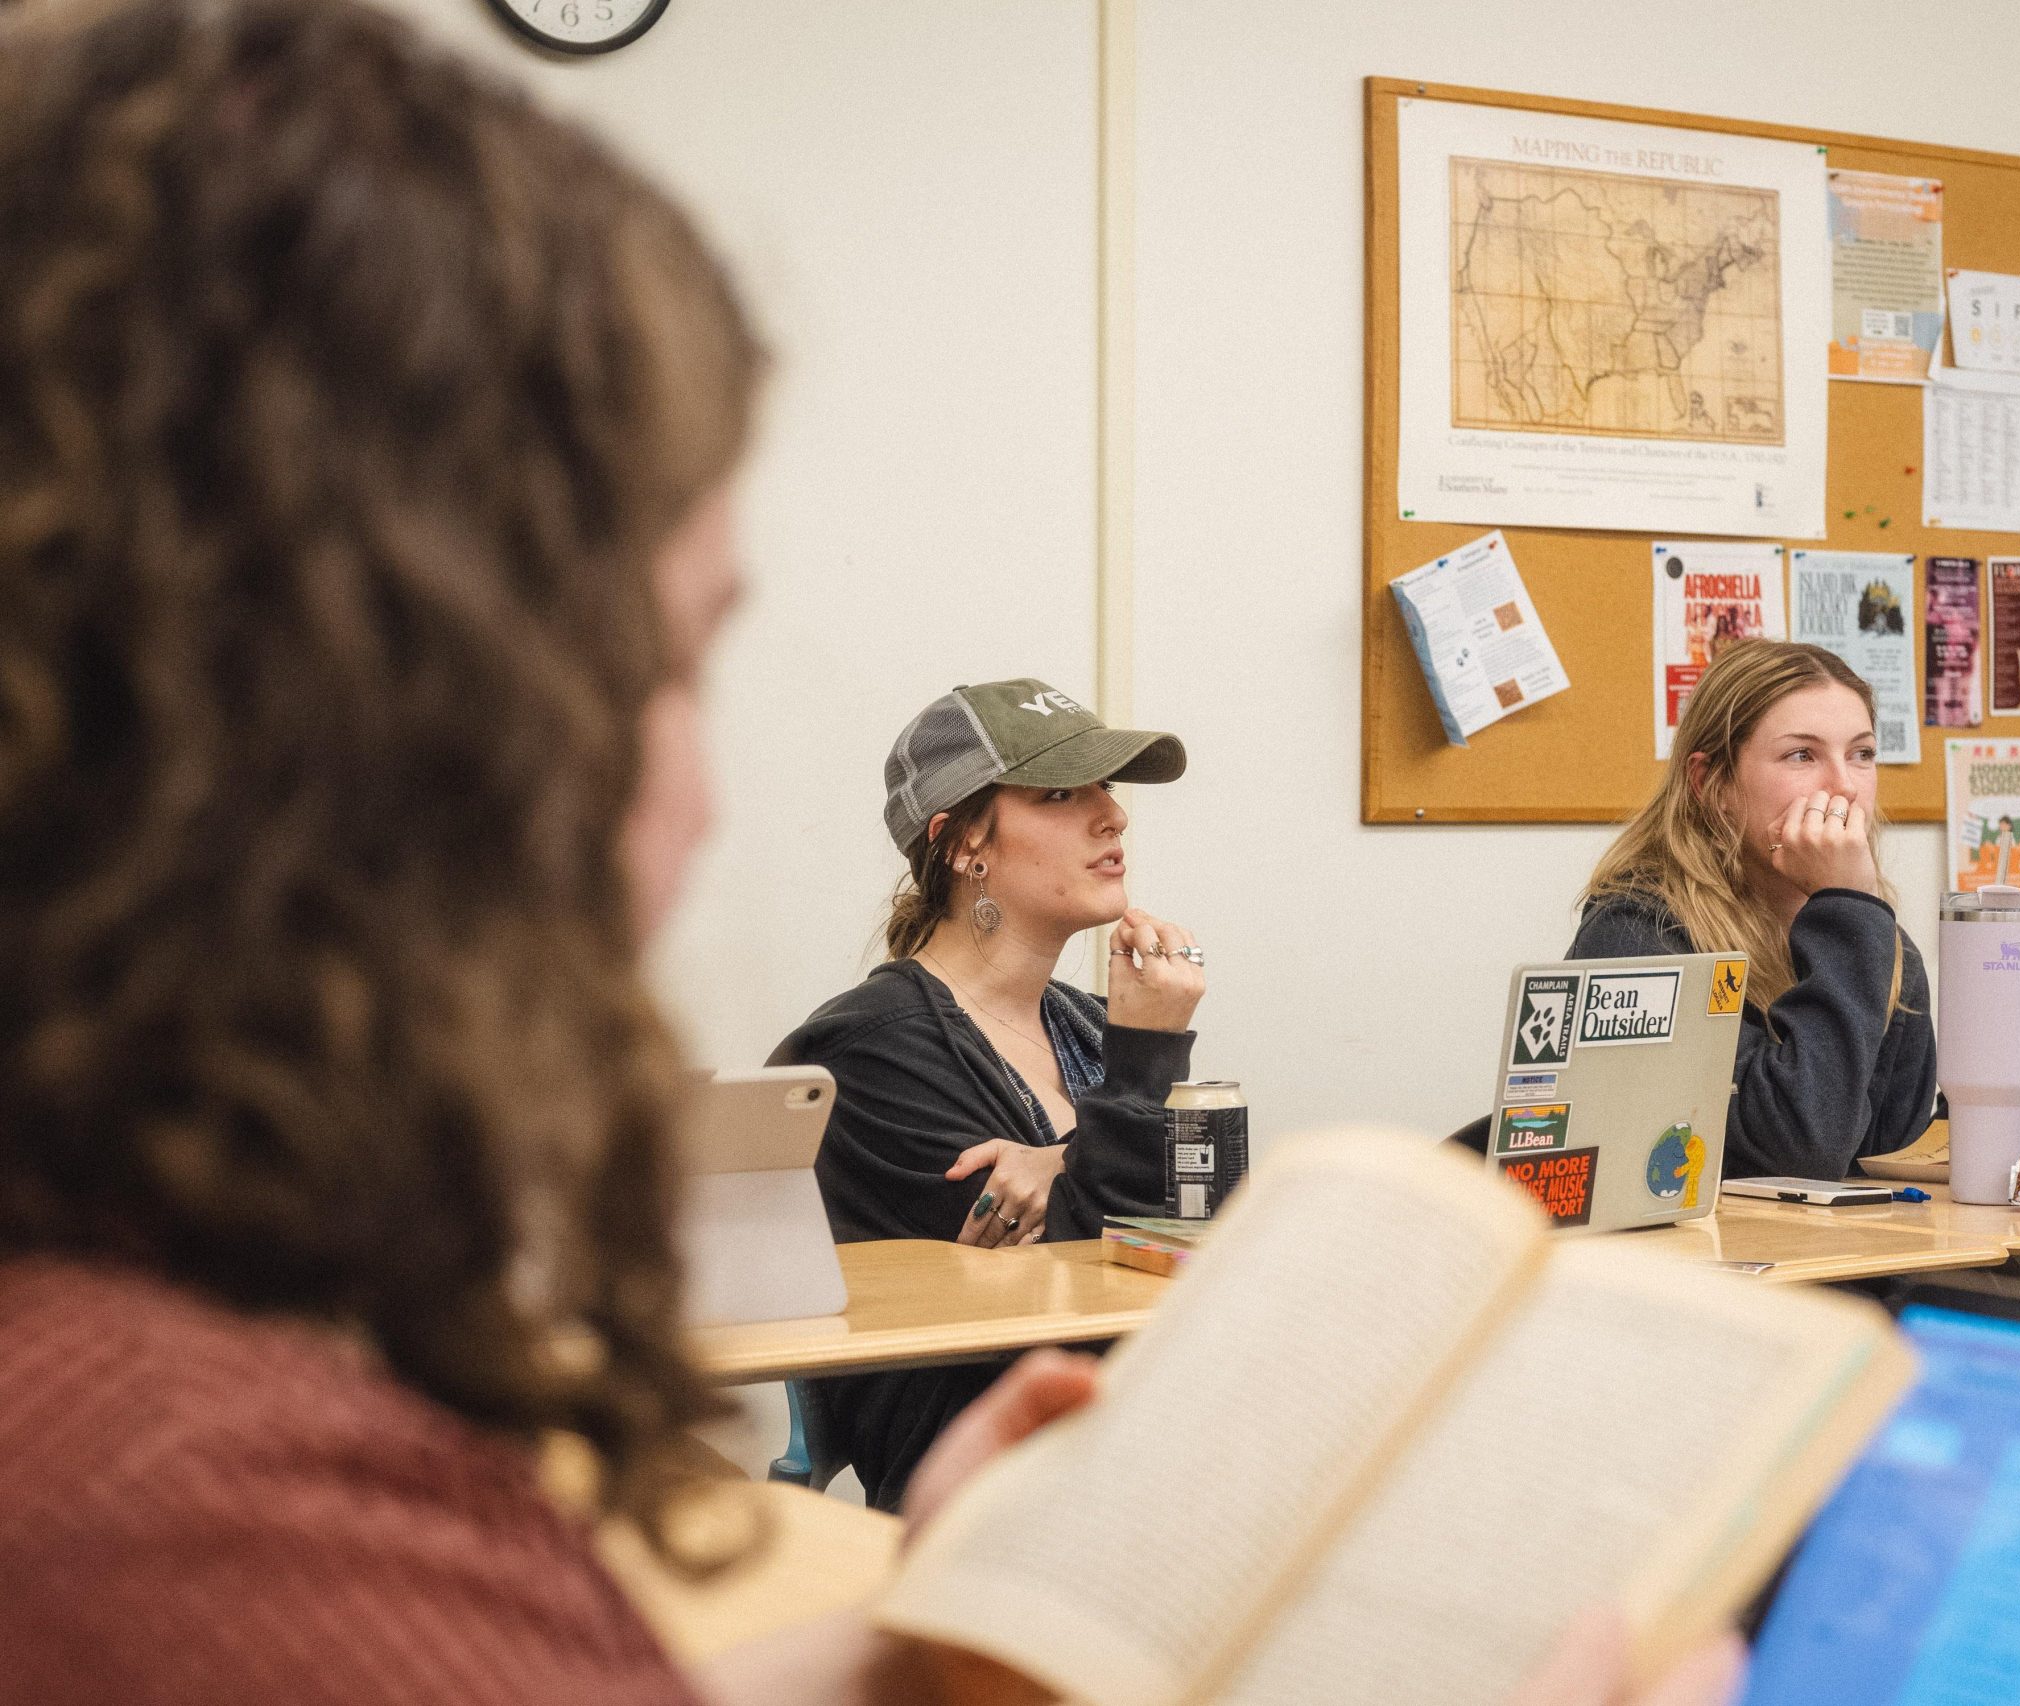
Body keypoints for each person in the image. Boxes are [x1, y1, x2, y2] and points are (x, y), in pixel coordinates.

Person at [0, 7, 1739, 1702]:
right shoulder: (194, 1509)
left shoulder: (157, 1395)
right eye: (653, 668)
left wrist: (917, 1645)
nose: (695, 798)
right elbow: (1138, 1218)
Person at [770, 680, 1208, 1508]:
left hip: (1137, 1454)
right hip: (989, 1496)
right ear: (962, 843)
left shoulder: (1083, 1023)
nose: (1113, 817)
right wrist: (1147, 1059)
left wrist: (1062, 1157)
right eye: (1059, 794)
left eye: (1107, 791)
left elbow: (1190, 1230)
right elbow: (1071, 1305)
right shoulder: (870, 1051)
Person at [1565, 640, 1936, 1179]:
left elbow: (1893, 1171)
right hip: (1700, 1259)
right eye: (1802, 756)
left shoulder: (1883, 946)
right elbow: (1802, 1148)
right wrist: (1849, 910)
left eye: (1862, 753)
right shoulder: (1638, 935)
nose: (1847, 786)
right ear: (1711, 784)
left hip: (1853, 1256)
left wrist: (1855, 918)